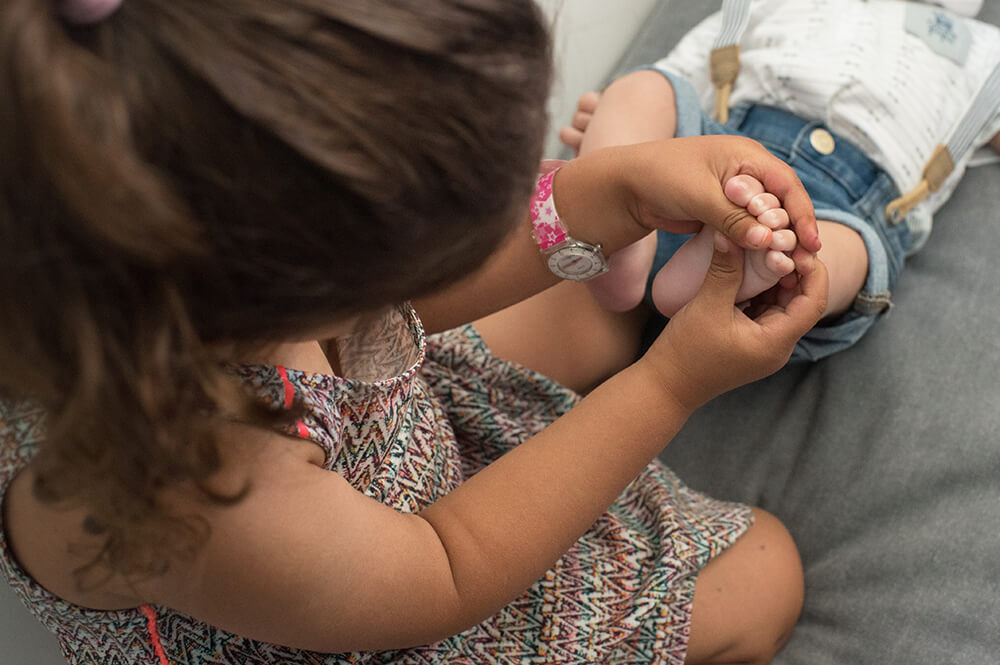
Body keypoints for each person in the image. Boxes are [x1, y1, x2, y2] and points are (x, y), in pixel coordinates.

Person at [0, 0, 829, 664]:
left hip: (378, 446)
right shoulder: (196, 491)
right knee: (766, 575)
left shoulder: (163, 271)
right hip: (405, 587)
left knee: (592, 302)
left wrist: (616, 195)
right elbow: (449, 567)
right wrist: (671, 382)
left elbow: (397, 304)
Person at [561, 0, 1000, 361]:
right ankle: (616, 216)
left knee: (843, 253)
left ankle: (738, 270)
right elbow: (683, 69)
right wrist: (617, 116)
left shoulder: (986, 51)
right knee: (644, 85)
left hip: (841, 204)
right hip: (705, 158)